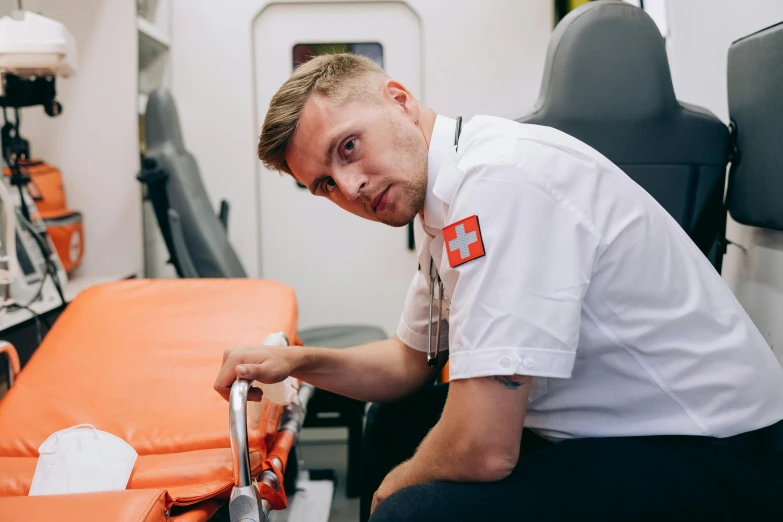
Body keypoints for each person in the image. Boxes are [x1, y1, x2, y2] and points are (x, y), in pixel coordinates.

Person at [213, 53, 783, 521]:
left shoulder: (500, 184)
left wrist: (390, 492)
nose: (351, 186)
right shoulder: (448, 196)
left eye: (349, 147)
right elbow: (407, 363)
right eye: (324, 185)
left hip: (720, 453)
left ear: (399, 100)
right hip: (628, 430)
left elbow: (484, 449)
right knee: (394, 420)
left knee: (411, 513)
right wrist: (293, 362)